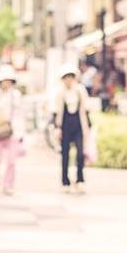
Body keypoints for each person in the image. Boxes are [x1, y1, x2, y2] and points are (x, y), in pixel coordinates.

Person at [0, 65, 26, 195]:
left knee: (11, 161)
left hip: (12, 132)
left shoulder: (16, 95)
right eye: (5, 80)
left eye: (9, 80)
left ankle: (8, 184)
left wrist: (20, 133)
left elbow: (20, 115)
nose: (7, 83)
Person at [53, 63, 91, 193]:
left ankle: (80, 179)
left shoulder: (80, 90)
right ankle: (65, 181)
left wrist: (88, 127)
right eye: (66, 77)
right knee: (65, 154)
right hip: (65, 125)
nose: (68, 80)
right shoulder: (60, 93)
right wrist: (57, 127)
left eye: (71, 77)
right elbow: (56, 112)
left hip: (79, 124)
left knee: (80, 154)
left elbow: (86, 110)